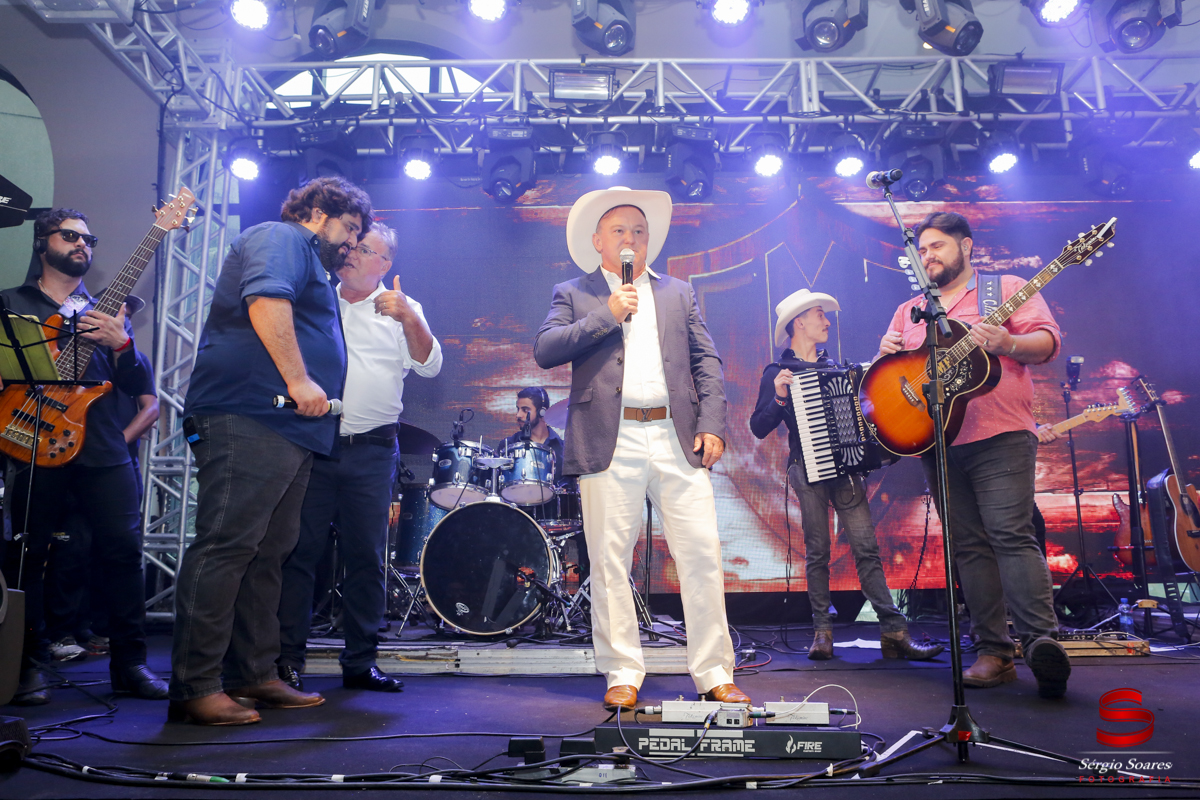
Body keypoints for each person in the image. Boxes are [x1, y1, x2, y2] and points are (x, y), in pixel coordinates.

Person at [533, 186, 749, 711]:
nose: (630, 238)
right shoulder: (574, 291)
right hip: (611, 437)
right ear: (597, 241)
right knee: (610, 560)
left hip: (676, 436)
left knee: (701, 554)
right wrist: (606, 314)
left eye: (639, 231)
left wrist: (713, 423)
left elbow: (707, 361)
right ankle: (623, 670)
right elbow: (546, 349)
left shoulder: (678, 292)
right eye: (619, 231)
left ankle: (714, 672)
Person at [169, 177, 370, 725]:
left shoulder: (313, 263)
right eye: (350, 228)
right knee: (228, 545)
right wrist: (300, 380)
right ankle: (194, 684)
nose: (353, 243)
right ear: (318, 211)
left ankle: (253, 673)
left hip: (287, 427)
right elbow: (265, 300)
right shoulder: (281, 238)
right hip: (250, 413)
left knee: (269, 552)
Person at [877, 211, 1071, 699]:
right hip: (938, 443)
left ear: (965, 246)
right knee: (969, 546)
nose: (928, 256)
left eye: (937, 246)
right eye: (922, 250)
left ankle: (1041, 644)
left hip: (1001, 434)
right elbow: (894, 382)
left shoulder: (1004, 289)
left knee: (1010, 535)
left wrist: (1009, 341)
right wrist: (885, 355)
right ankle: (995, 654)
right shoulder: (908, 310)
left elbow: (1047, 342)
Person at [0, 209, 168, 705]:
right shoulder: (10, 304)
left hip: (103, 448)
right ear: (42, 242)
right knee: (28, 557)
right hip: (33, 441)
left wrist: (122, 344)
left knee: (123, 553)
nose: (82, 245)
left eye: (89, 240)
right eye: (71, 236)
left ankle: (131, 664)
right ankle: (27, 666)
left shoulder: (104, 312)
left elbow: (138, 387)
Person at [277, 222, 441, 693]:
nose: (350, 253)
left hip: (372, 450)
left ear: (385, 263)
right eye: (349, 245)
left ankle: (360, 663)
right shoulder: (316, 299)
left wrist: (408, 317)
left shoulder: (402, 307)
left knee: (366, 557)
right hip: (314, 445)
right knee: (299, 554)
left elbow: (430, 366)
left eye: (364, 249)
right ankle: (286, 661)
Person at [750, 289, 943, 663]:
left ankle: (894, 633)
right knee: (818, 551)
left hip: (847, 470)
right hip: (806, 469)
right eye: (820, 315)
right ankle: (822, 632)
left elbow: (864, 411)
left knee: (866, 549)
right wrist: (779, 397)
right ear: (799, 322)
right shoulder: (778, 373)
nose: (827, 321)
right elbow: (759, 427)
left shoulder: (837, 369)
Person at [45, 300, 158, 663]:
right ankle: (64, 632)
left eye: (126, 314)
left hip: (116, 459)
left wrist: (118, 444)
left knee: (118, 550)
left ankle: (106, 635)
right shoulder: (76, 351)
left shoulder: (132, 357)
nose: (120, 317)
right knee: (71, 547)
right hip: (71, 454)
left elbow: (152, 407)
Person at [497, 386, 564, 484]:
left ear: (542, 413)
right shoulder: (508, 445)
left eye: (525, 410)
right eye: (518, 409)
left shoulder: (563, 449)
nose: (518, 415)